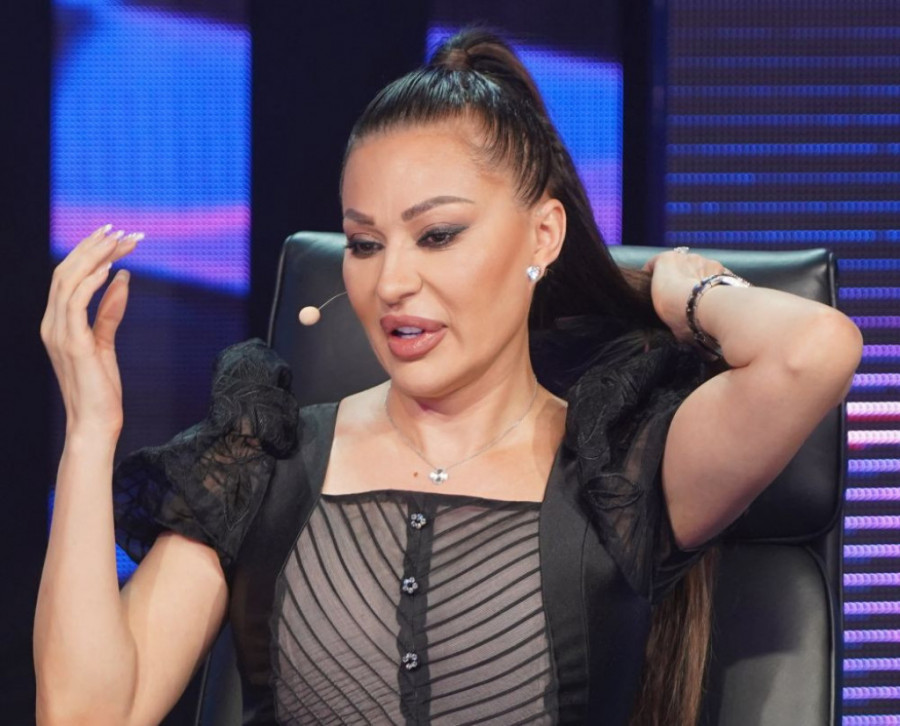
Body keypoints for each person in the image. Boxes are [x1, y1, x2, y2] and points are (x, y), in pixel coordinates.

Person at [34, 30, 861, 726]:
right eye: (365, 244)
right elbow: (83, 716)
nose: (391, 282)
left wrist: (681, 293)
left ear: (542, 236)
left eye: (436, 236)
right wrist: (88, 431)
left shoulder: (619, 468)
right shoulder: (263, 459)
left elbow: (813, 351)